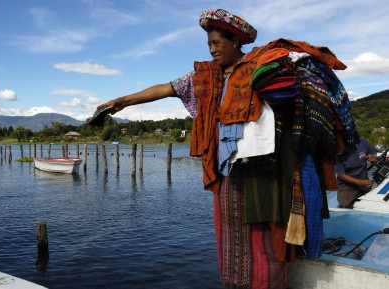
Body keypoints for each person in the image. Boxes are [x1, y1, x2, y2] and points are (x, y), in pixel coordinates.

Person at [95, 8, 357, 289]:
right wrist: (123, 100)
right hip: (228, 172)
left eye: (217, 43)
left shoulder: (262, 68)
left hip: (265, 170)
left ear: (235, 42)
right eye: (209, 45)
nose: (212, 51)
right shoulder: (206, 78)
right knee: (230, 235)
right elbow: (166, 88)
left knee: (264, 235)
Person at [335, 137, 377, 208]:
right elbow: (341, 174)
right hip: (347, 187)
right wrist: (360, 182)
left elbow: (373, 153)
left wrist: (373, 156)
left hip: (365, 183)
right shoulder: (337, 149)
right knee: (346, 207)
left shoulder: (363, 141)